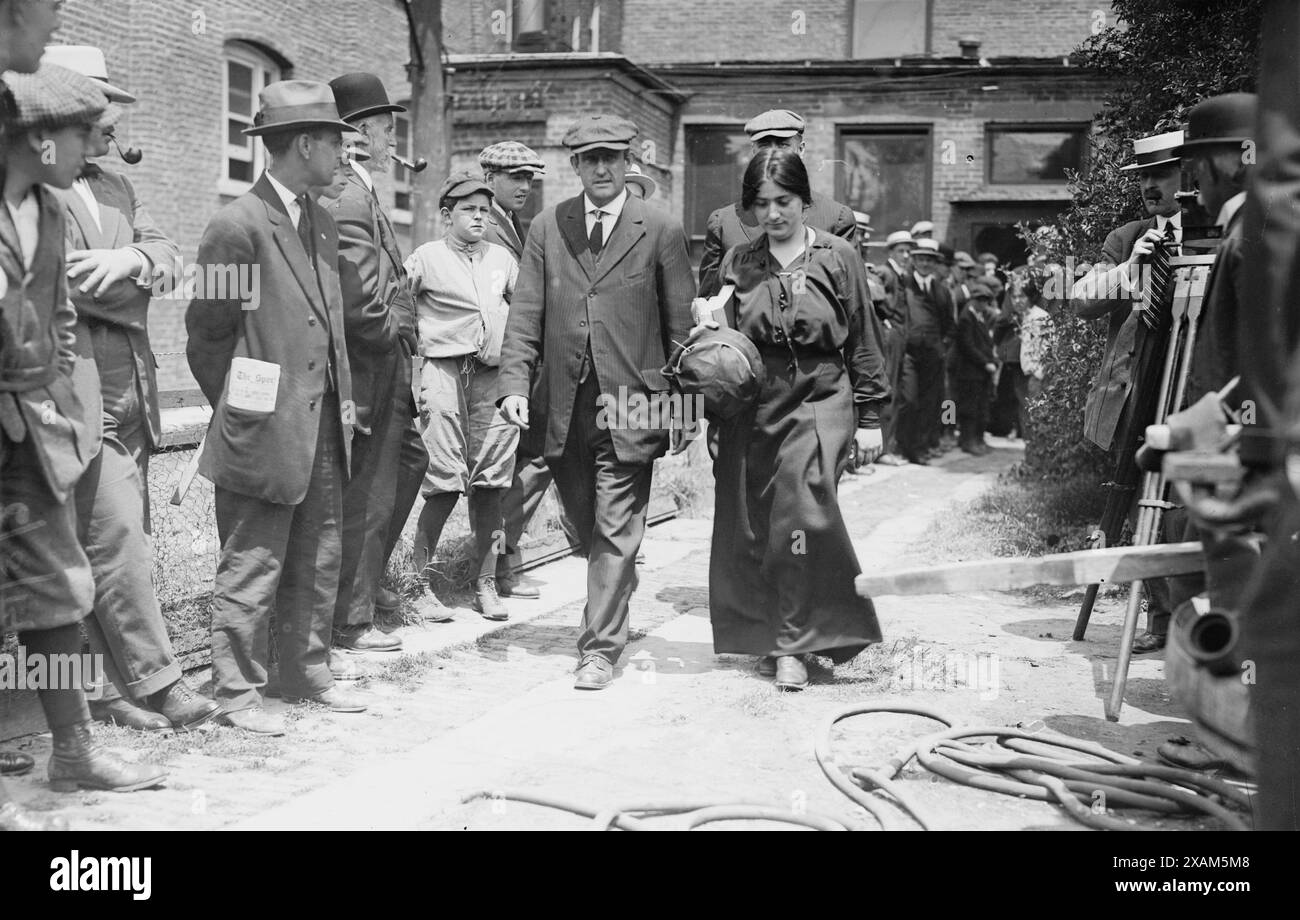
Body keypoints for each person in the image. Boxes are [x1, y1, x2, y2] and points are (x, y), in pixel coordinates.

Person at [2, 62, 168, 810]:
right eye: (80, 133)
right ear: (37, 139)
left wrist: (50, 401)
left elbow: (64, 318)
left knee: (56, 590)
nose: (95, 146)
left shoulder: (60, 200)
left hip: (39, 426)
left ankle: (71, 749)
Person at [44, 45, 218, 732]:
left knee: (110, 541)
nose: (113, 124)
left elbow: (171, 261)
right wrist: (132, 285)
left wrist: (134, 258)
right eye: (100, 108)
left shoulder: (116, 186)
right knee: (118, 540)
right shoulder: (24, 184)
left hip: (133, 389)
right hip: (73, 384)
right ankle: (159, 681)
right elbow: (59, 288)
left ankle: (102, 695)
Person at [186, 81, 362, 735]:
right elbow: (207, 336)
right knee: (252, 560)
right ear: (307, 143)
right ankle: (234, 693)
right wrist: (245, 413)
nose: (344, 153)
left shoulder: (318, 217)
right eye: (337, 140)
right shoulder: (237, 225)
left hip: (320, 423)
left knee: (318, 553)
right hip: (265, 427)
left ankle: (306, 673)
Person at [498, 114, 695, 691]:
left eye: (612, 156)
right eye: (590, 158)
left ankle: (599, 648)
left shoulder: (658, 227)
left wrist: (684, 410)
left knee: (614, 526)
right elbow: (525, 315)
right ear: (576, 166)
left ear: (627, 160)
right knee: (586, 525)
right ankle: (614, 590)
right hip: (562, 400)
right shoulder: (547, 227)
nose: (602, 167)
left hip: (635, 400)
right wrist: (513, 385)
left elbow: (682, 326)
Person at [700, 147, 889, 691]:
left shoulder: (837, 256)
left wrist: (870, 414)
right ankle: (774, 633)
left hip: (820, 397)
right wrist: (708, 323)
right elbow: (719, 336)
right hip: (754, 401)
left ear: (805, 199)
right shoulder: (739, 260)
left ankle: (794, 645)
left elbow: (863, 336)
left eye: (784, 201)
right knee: (755, 521)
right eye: (760, 204)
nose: (773, 214)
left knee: (804, 512)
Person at [1069, 129, 1187, 653]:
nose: (1150, 186)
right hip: (1135, 389)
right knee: (1140, 499)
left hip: (1187, 383)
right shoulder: (1128, 237)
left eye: (1161, 174)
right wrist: (1131, 266)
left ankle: (1191, 621)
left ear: (1190, 175)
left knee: (1185, 503)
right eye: (1143, 177)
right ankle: (1160, 620)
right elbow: (1081, 299)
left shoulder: (1212, 232)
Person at [325, 72, 427, 652]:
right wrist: (402, 323)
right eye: (388, 130)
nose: (393, 143)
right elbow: (361, 302)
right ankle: (351, 615)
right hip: (373, 365)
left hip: (386, 363)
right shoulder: (350, 196)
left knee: (407, 463)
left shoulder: (361, 192)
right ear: (362, 131)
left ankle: (364, 585)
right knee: (369, 489)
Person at [404, 172, 521, 623]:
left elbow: (526, 311)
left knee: (492, 482)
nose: (478, 217)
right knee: (444, 480)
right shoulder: (427, 257)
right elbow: (397, 304)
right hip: (444, 371)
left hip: (492, 377)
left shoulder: (502, 260)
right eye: (469, 210)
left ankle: (486, 582)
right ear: (447, 215)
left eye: (484, 210)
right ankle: (419, 583)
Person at [479, 139, 568, 600]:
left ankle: (503, 555)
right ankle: (495, 561)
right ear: (490, 177)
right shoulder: (484, 225)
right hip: (493, 364)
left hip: (520, 361)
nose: (525, 186)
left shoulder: (513, 224)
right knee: (515, 462)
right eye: (516, 177)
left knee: (529, 458)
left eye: (530, 179)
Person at [697, 109, 856, 298]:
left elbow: (853, 307)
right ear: (753, 152)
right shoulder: (724, 222)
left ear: (801, 149)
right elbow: (710, 304)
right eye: (764, 146)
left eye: (783, 145)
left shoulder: (835, 218)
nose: (773, 154)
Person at [895, 237, 954, 465]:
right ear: (914, 260)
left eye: (929, 260)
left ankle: (920, 447)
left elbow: (950, 323)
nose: (925, 264)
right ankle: (903, 445)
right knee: (909, 399)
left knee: (930, 402)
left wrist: (943, 346)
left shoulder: (941, 290)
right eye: (920, 259)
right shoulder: (904, 285)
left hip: (933, 355)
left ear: (935, 263)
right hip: (910, 353)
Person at [876, 230, 914, 466]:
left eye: (908, 251)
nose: (906, 255)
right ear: (891, 252)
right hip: (890, 336)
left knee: (900, 392)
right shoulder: (886, 273)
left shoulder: (901, 275)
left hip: (900, 336)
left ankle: (889, 446)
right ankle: (882, 449)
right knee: (887, 390)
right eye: (901, 250)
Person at [954, 282, 998, 455]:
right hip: (970, 372)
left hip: (981, 372)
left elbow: (987, 343)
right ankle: (968, 441)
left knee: (981, 408)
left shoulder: (980, 316)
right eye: (980, 300)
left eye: (986, 301)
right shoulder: (967, 317)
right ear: (973, 300)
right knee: (969, 408)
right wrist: (985, 362)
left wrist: (992, 360)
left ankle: (978, 439)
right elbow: (968, 345)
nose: (984, 304)